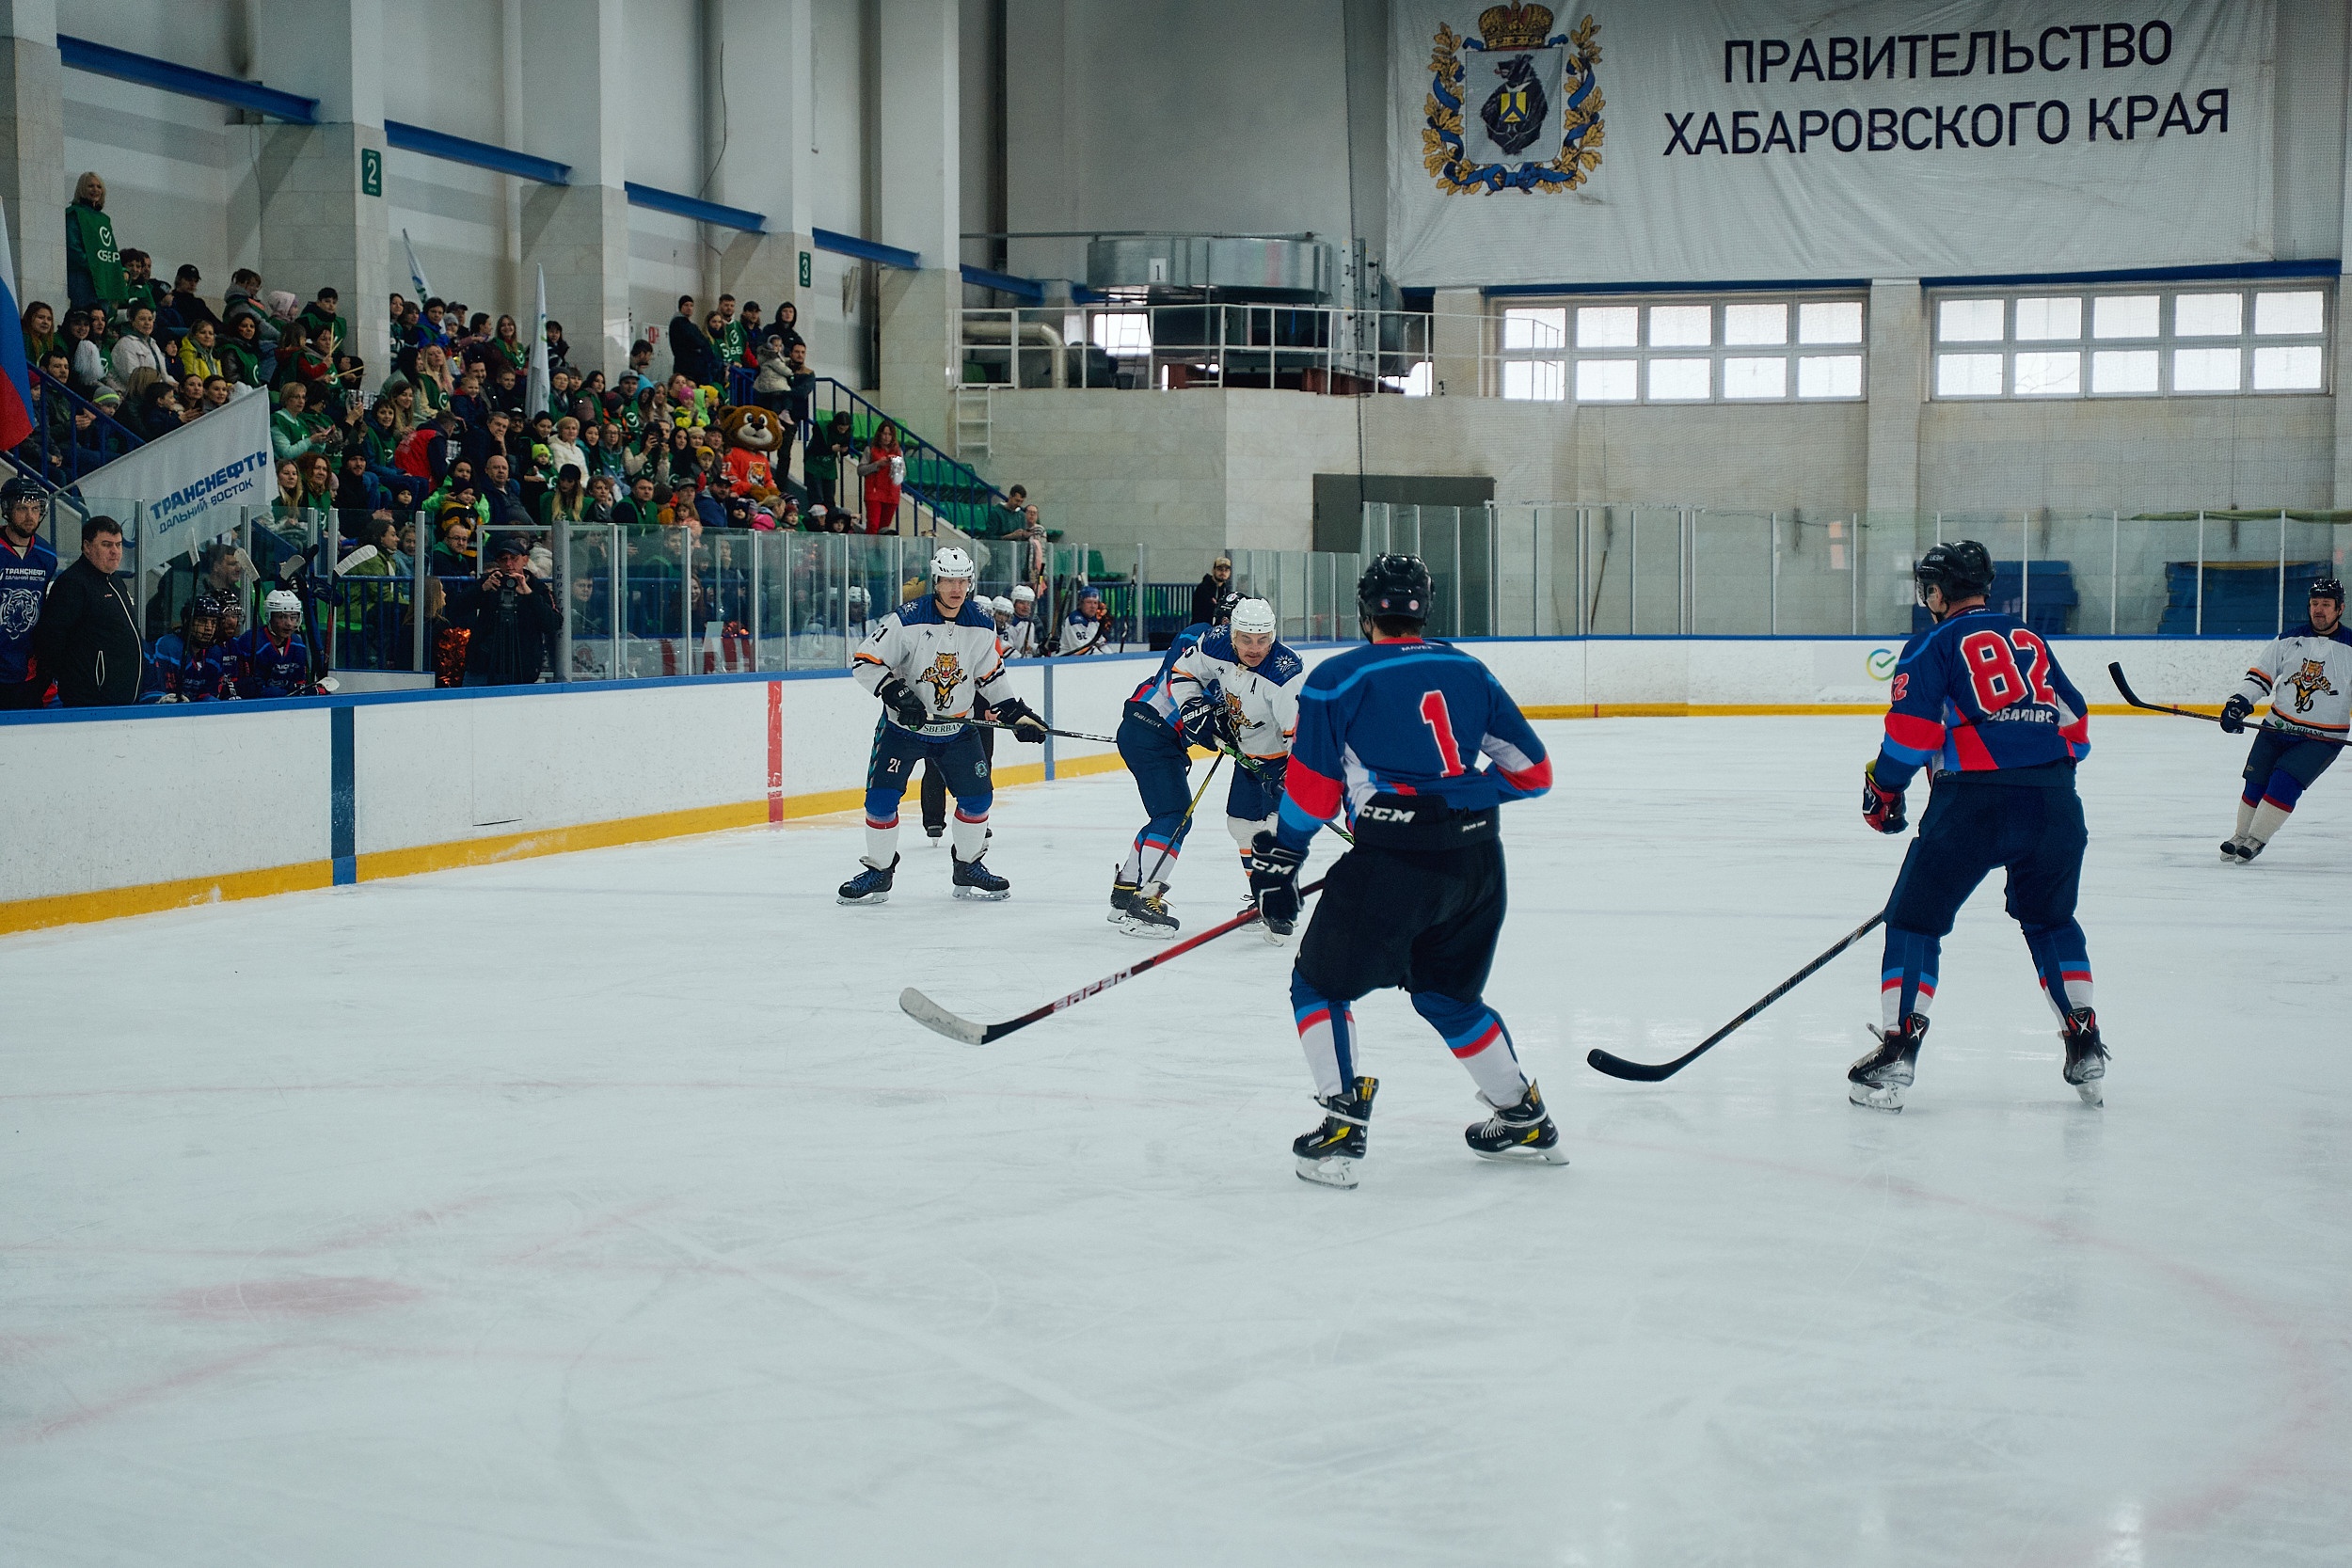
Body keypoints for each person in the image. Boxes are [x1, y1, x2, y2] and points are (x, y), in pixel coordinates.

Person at [1246, 554, 1560, 1188]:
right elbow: (1533, 773)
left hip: (1394, 863)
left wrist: (1285, 856)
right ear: (1425, 610)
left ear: (1365, 613)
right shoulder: (1470, 670)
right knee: (1449, 996)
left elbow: (1312, 791)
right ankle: (1521, 1113)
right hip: (1477, 863)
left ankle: (1342, 1125)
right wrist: (1457, 799)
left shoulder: (1337, 678)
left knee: (1317, 987)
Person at [1851, 539, 2105, 1112]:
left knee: (1913, 922)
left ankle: (1898, 1053)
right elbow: (2077, 725)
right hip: (2055, 803)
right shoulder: (2031, 639)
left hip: (1971, 805)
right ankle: (2084, 1041)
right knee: (2051, 921)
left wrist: (1884, 788)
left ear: (1938, 593)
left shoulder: (1932, 643)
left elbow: (1912, 735)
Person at [837, 546, 1048, 905]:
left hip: (957, 730)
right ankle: (879, 872)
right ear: (935, 581)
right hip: (902, 730)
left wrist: (1014, 712)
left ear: (970, 583)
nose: (956, 588)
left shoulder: (982, 622)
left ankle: (968, 867)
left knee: (979, 799)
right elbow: (865, 662)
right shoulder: (906, 619)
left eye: (962, 581)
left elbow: (990, 675)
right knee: (881, 800)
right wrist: (897, 694)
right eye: (949, 580)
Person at [1107, 592, 1232, 936]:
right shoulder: (1198, 636)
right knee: (1174, 817)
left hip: (1152, 733)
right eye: (1228, 621)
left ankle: (1126, 889)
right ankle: (1145, 898)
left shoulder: (1233, 658)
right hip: (1152, 730)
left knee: (1167, 816)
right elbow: (1188, 688)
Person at [2217, 578, 2352, 863]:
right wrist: (2239, 702)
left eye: (2326, 604)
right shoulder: (2288, 640)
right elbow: (2260, 676)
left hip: (2321, 738)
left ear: (2340, 608)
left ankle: (2256, 838)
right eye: (2314, 604)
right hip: (2276, 728)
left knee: (2284, 782)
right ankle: (2240, 835)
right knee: (2255, 781)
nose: (2318, 610)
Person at [34, 515, 143, 707]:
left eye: (118, 545)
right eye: (106, 545)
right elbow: (51, 639)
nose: (115, 552)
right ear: (87, 546)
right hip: (91, 702)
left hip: (122, 699)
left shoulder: (115, 581)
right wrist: (79, 684)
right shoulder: (73, 583)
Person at [452, 532, 562, 686]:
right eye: (504, 559)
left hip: (522, 667)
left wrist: (529, 595)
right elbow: (455, 608)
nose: (509, 564)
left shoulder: (537, 588)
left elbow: (553, 623)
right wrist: (481, 590)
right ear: (497, 562)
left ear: (525, 559)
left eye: (514, 558)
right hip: (483, 665)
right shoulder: (489, 582)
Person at [0, 476, 60, 708]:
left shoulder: (47, 555)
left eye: (35, 509)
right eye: (22, 509)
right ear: (7, 509)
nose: (30, 516)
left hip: (26, 671)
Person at [229, 588, 314, 699]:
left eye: (293, 617)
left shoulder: (298, 646)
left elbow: (300, 684)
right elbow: (247, 688)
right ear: (269, 617)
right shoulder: (251, 642)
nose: (289, 623)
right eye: (282, 617)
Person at [152, 592, 238, 703]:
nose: (209, 628)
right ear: (187, 621)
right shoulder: (168, 647)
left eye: (213, 622)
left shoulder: (215, 653)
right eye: (203, 621)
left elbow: (209, 693)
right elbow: (156, 689)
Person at [64, 171, 125, 315]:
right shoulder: (73, 214)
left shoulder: (104, 219)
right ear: (81, 189)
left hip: (102, 282)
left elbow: (109, 250)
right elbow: (72, 247)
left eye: (99, 186)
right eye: (90, 186)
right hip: (82, 279)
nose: (95, 190)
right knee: (83, 317)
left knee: (101, 319)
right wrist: (93, 265)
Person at [859, 423, 903, 534]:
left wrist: (896, 468)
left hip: (891, 494)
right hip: (874, 493)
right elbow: (860, 470)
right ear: (879, 434)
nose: (887, 437)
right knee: (873, 525)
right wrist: (877, 464)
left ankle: (881, 546)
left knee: (884, 528)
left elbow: (903, 473)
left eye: (890, 434)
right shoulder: (870, 449)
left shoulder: (898, 451)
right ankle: (870, 545)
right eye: (884, 434)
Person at [1057, 585, 1111, 656]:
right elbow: (1081, 650)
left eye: (1095, 603)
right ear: (1081, 603)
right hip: (1068, 660)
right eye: (1089, 602)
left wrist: (1112, 657)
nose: (1093, 606)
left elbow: (1101, 644)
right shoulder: (1075, 620)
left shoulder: (1094, 621)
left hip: (1086, 660)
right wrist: (1103, 658)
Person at [1191, 556, 1235, 626]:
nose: (1223, 572)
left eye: (1226, 570)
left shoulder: (1227, 590)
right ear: (1213, 570)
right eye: (1220, 569)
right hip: (1201, 627)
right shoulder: (1203, 588)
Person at [1001, 583, 1040, 657]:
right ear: (1014, 603)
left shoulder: (1030, 624)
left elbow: (1028, 646)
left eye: (1028, 604)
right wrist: (1019, 658)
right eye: (1021, 603)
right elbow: (1006, 648)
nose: (1025, 607)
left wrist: (1039, 648)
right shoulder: (1009, 625)